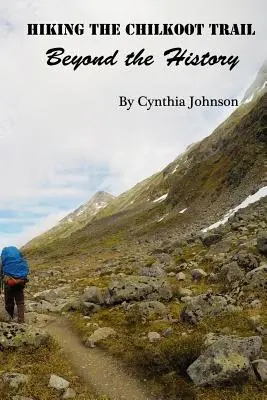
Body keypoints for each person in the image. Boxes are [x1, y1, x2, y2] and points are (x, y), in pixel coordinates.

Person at [0, 246, 29, 324]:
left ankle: (9, 320)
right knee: (20, 302)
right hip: (20, 282)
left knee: (9, 302)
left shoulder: (3, 260)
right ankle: (21, 321)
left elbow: (1, 273)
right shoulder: (18, 258)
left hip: (9, 283)